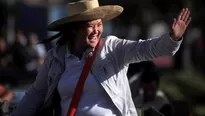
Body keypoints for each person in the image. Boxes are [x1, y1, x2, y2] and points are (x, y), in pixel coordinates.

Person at [11, 0, 191, 116]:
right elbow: (36, 94)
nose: (97, 30)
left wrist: (172, 39)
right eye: (90, 26)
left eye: (99, 24)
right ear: (74, 29)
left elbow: (146, 49)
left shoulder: (113, 48)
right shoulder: (56, 58)